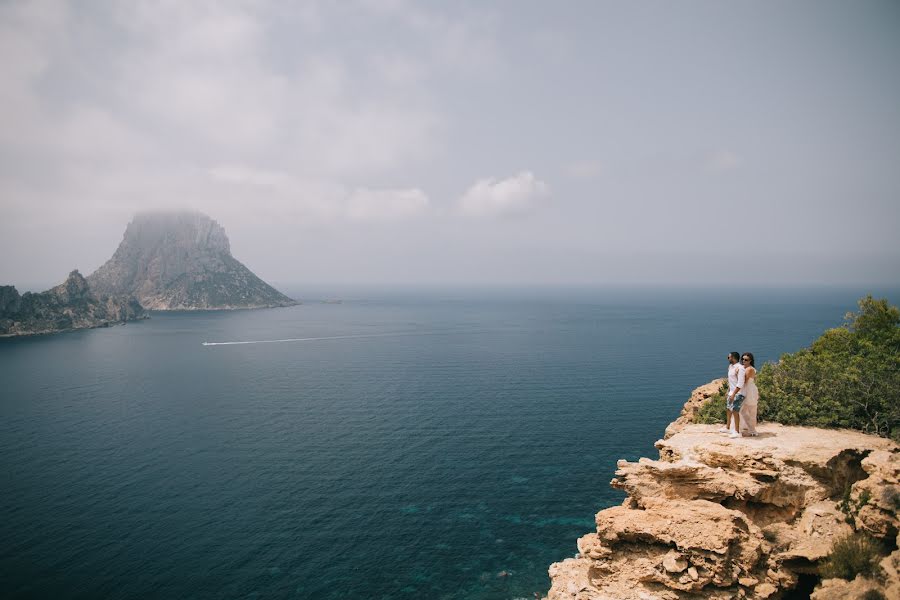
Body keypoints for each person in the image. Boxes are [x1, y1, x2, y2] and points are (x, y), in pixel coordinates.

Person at [720, 351, 745, 438]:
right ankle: (728, 428)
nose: (728, 358)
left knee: (735, 411)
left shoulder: (740, 368)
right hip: (731, 392)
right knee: (728, 410)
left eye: (729, 357)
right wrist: (728, 391)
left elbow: (740, 383)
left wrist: (734, 394)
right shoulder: (730, 367)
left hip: (738, 393)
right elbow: (731, 381)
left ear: (733, 358)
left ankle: (737, 432)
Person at [739, 353, 759, 436]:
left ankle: (752, 429)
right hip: (751, 389)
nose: (743, 361)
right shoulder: (750, 368)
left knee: (746, 410)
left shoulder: (748, 369)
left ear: (750, 360)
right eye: (742, 359)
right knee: (749, 410)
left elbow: (744, 382)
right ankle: (750, 428)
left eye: (746, 360)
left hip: (748, 391)